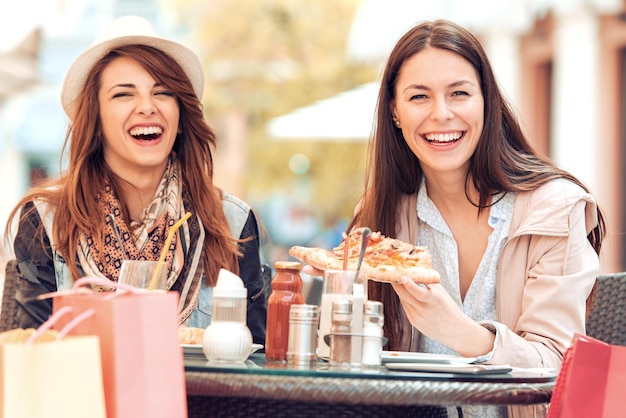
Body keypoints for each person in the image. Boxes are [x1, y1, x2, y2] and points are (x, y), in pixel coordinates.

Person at [309, 19, 605, 418]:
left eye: (459, 93)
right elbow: (350, 366)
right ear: (395, 112)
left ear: (486, 102)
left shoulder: (554, 208)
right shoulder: (380, 220)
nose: (441, 114)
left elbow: (558, 370)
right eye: (419, 97)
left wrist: (462, 333)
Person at [4, 16, 268, 344]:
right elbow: (27, 351)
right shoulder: (46, 218)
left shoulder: (233, 221)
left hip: (202, 397)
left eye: (163, 93)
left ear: (181, 117)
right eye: (123, 95)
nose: (147, 107)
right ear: (96, 121)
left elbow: (260, 362)